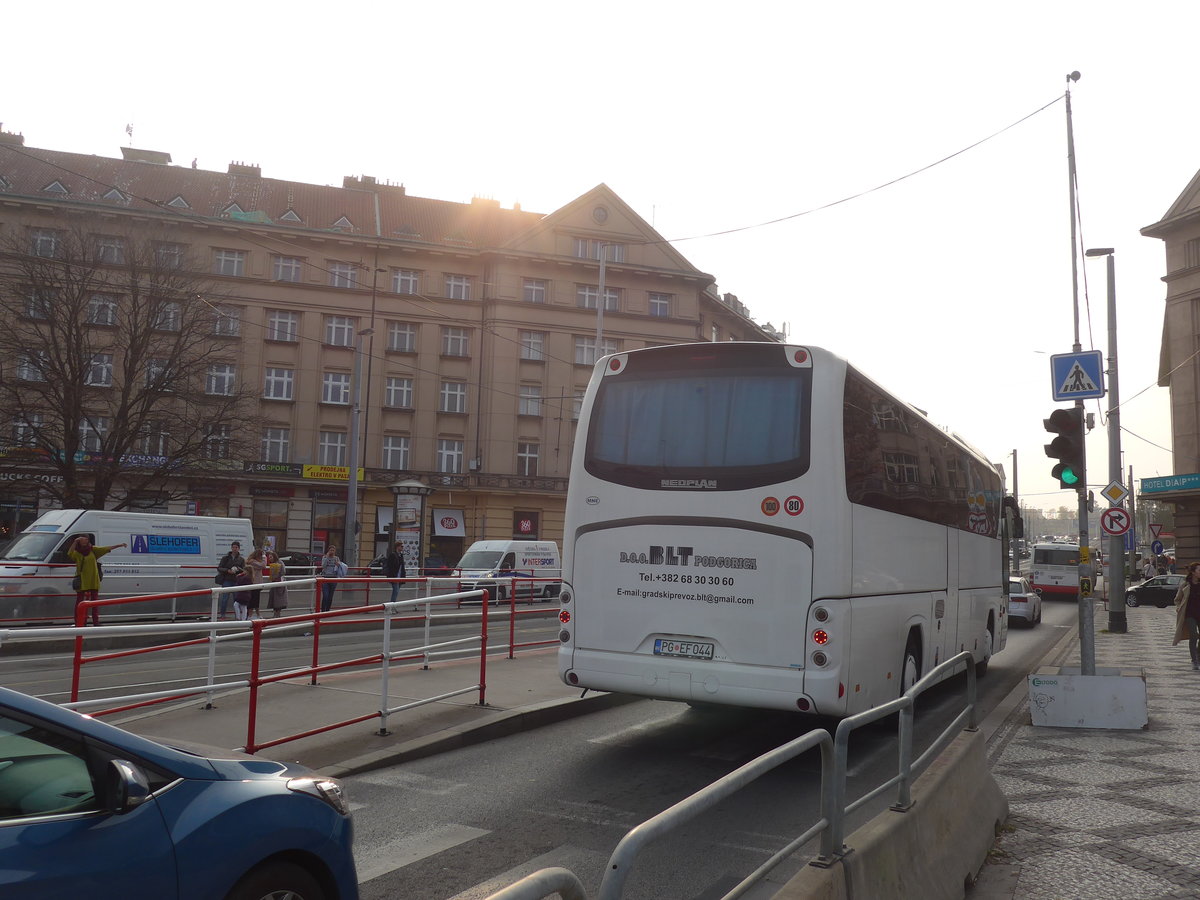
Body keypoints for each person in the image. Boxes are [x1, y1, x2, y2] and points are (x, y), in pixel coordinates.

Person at [68, 535, 127, 626]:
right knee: (80, 603)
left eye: (86, 539)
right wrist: (75, 542)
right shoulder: (77, 553)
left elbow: (106, 548)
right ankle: (79, 622)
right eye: (82, 539)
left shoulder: (93, 550)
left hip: (93, 579)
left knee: (95, 602)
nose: (85, 540)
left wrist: (120, 545)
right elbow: (70, 553)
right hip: (82, 580)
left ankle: (96, 622)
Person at [1173, 562, 1200, 670]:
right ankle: (1194, 660)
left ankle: (1198, 655)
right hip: (1189, 614)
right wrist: (1178, 607)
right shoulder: (1185, 584)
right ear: (1193, 572)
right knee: (1193, 634)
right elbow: (1177, 599)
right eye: (1199, 570)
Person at [216, 541, 245, 620]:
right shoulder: (225, 558)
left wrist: (238, 570)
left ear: (239, 549)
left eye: (236, 547)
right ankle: (222, 615)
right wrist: (227, 570)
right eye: (233, 547)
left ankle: (237, 615)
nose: (234, 549)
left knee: (236, 600)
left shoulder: (241, 559)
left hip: (236, 580)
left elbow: (244, 570)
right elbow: (219, 568)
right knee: (224, 598)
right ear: (231, 548)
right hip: (227, 580)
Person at [239, 548, 266, 621]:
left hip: (256, 583)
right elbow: (263, 566)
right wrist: (264, 556)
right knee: (253, 600)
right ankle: (251, 615)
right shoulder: (253, 562)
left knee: (256, 599)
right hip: (255, 583)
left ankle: (256, 614)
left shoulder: (252, 562)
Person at [265, 549, 288, 617]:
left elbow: (283, 572)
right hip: (274, 582)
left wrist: (277, 574)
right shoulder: (272, 564)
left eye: (271, 557)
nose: (270, 559)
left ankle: (277, 613)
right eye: (269, 558)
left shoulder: (280, 562)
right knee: (273, 598)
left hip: (280, 583)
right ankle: (275, 613)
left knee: (279, 599)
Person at [320, 546, 342, 612]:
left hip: (333, 578)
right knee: (325, 595)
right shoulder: (324, 557)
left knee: (330, 596)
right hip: (325, 578)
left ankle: (327, 610)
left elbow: (340, 567)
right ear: (328, 551)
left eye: (333, 550)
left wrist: (338, 564)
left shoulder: (337, 558)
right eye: (331, 550)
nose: (332, 552)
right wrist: (327, 558)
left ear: (335, 551)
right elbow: (323, 566)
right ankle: (323, 610)